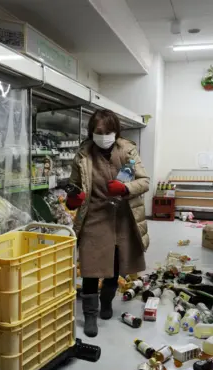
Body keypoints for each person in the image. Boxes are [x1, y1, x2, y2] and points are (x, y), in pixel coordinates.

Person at [67, 109, 150, 337]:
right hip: (94, 216)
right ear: (91, 132)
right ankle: (90, 314)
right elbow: (73, 186)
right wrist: (73, 198)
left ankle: (106, 302)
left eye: (108, 132)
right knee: (91, 269)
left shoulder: (127, 150)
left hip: (122, 217)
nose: (103, 136)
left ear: (116, 132)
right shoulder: (83, 154)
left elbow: (144, 181)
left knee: (114, 267)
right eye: (98, 132)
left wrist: (125, 188)